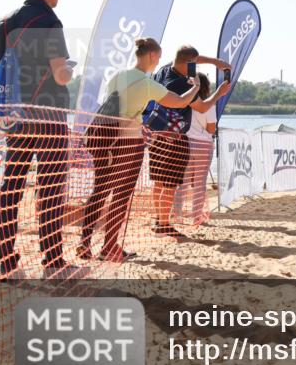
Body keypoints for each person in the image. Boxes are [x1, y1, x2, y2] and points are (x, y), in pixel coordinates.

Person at [0, 0, 77, 279]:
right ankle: (52, 259)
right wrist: (70, 70)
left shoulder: (4, 23)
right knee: (50, 188)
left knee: (11, 185)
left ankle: (7, 262)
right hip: (49, 117)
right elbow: (59, 74)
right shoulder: (51, 22)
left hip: (16, 117)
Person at [79, 38, 201, 261]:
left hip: (104, 138)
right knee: (121, 196)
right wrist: (195, 87)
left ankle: (84, 245)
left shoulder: (117, 76)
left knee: (99, 191)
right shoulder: (147, 84)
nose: (158, 62)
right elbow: (180, 102)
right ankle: (109, 247)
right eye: (159, 57)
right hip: (127, 143)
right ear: (153, 56)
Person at [144, 45, 230, 239]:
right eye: (194, 65)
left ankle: (159, 220)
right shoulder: (182, 84)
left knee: (158, 181)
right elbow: (202, 107)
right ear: (188, 64)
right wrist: (220, 93)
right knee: (170, 184)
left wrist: (215, 62)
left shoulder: (164, 70)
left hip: (157, 134)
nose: (195, 69)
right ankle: (164, 224)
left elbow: (190, 58)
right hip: (174, 138)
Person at [181, 73, 217, 224]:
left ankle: (176, 213)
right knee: (199, 183)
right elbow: (211, 129)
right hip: (203, 144)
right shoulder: (208, 104)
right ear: (206, 87)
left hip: (186, 142)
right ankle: (196, 216)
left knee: (182, 182)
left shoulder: (184, 102)